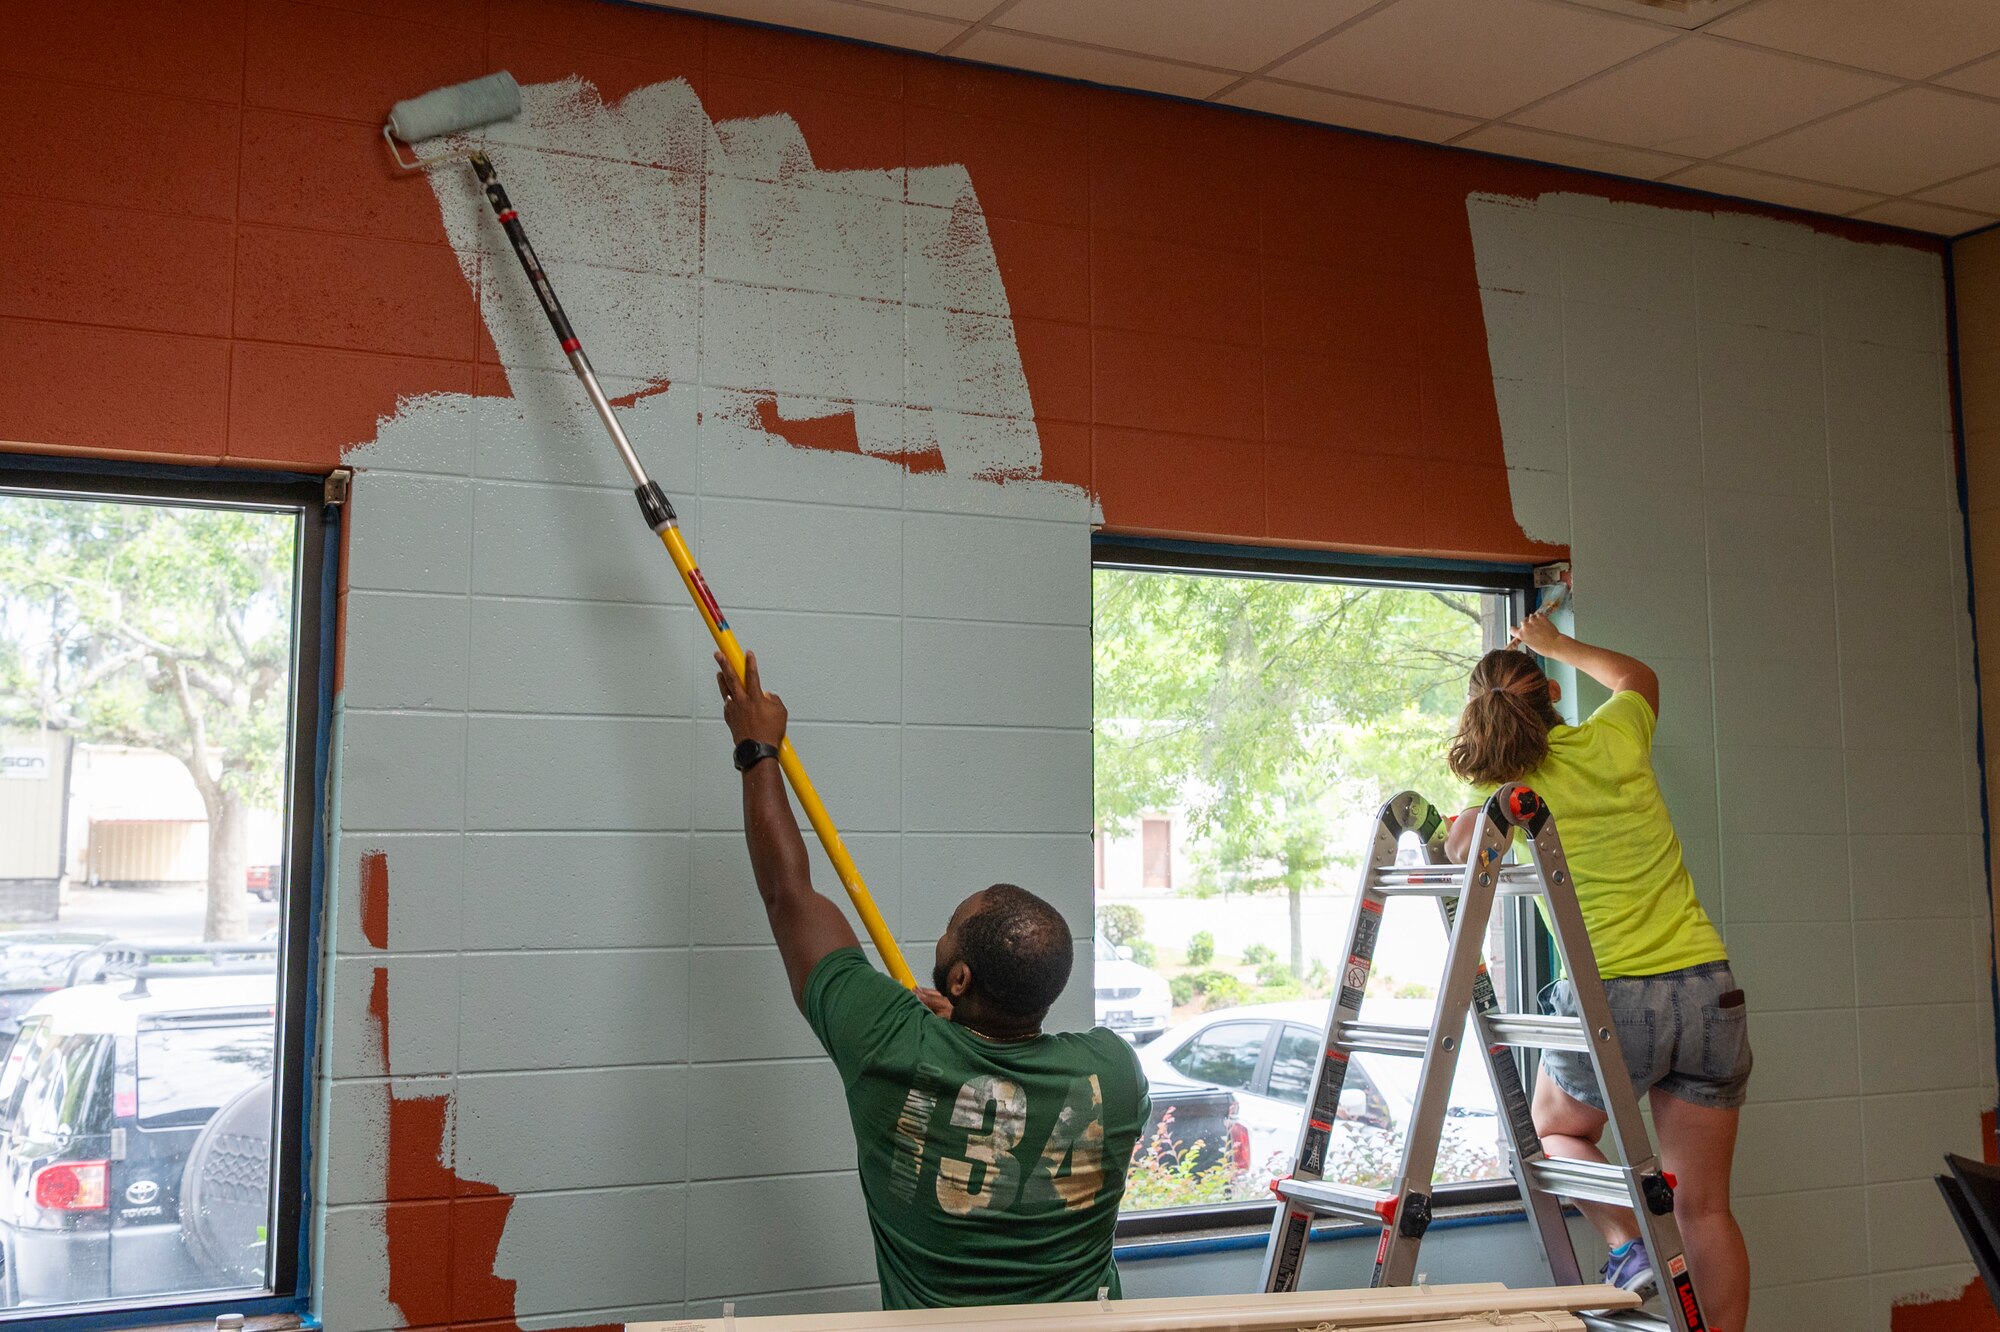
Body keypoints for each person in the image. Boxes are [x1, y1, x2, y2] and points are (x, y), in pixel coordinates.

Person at [714, 650, 1149, 1309]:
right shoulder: (1115, 1072)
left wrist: (756, 748)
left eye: (949, 925)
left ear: (960, 976)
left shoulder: (889, 1041)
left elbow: (788, 895)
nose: (940, 931)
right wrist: (962, 1037)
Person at [1442, 612, 1750, 1332]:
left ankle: (1628, 1249)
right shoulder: (1616, 737)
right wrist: (1556, 642)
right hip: (1711, 987)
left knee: (1553, 1128)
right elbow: (1635, 677)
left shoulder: (1511, 789)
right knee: (1705, 1207)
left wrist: (1466, 821)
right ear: (1551, 693)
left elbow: (1463, 845)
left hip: (1616, 995)